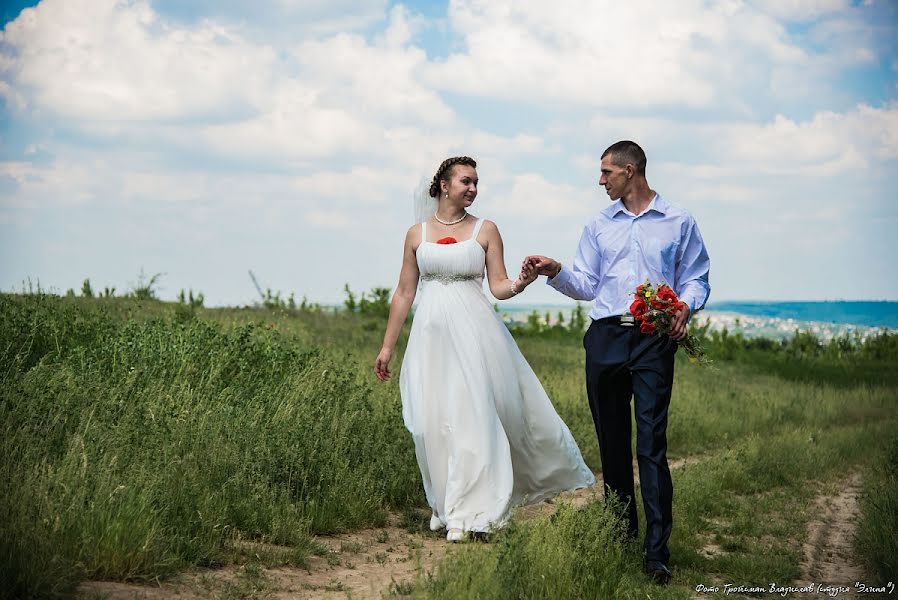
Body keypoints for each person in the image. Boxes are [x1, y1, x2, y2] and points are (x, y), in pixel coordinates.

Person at [374, 156, 595, 543]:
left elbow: (498, 288)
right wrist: (387, 347)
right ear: (444, 185)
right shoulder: (416, 234)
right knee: (432, 423)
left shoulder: (486, 230)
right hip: (431, 338)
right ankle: (447, 506)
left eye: (476, 182)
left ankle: (475, 513)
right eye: (466, 181)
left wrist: (522, 282)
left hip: (475, 336)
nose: (473, 188)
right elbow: (405, 291)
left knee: (471, 417)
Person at [525, 141, 710, 584]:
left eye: (607, 172)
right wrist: (555, 271)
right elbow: (587, 284)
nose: (601, 180)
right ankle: (621, 537)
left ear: (631, 171)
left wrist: (684, 307)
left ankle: (656, 553)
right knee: (612, 446)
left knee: (650, 444)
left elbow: (697, 278)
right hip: (605, 338)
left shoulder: (679, 221)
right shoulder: (597, 224)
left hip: (654, 339)